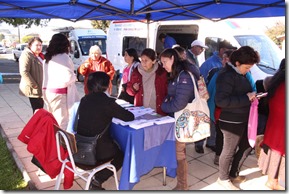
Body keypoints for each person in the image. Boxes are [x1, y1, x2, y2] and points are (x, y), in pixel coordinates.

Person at [76, 71, 135, 190]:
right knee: (121, 153)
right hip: (96, 149)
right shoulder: (107, 102)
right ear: (106, 86)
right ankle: (98, 179)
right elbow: (129, 117)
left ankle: (98, 174)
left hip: (80, 145)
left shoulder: (84, 99)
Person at [215, 46, 260, 190]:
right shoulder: (226, 75)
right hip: (230, 121)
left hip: (243, 118)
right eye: (246, 67)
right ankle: (222, 178)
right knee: (228, 151)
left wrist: (252, 96)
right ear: (237, 63)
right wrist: (246, 98)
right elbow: (220, 101)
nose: (248, 71)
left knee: (247, 146)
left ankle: (233, 173)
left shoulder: (239, 74)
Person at [160, 48, 199, 190]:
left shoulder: (184, 76)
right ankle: (182, 184)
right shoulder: (177, 74)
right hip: (178, 118)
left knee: (179, 152)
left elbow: (179, 103)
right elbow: (171, 95)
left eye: (165, 62)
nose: (163, 65)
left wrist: (163, 106)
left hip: (183, 120)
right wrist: (165, 102)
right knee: (179, 151)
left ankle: (182, 185)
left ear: (172, 59)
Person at [194, 41, 237, 154]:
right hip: (207, 99)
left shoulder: (234, 71)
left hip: (219, 103)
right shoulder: (210, 64)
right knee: (204, 122)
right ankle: (198, 143)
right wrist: (203, 97)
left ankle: (211, 142)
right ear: (222, 50)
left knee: (214, 124)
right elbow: (199, 78)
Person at [42, 33, 80, 130]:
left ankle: (53, 140)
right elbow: (68, 77)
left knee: (53, 118)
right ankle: (59, 144)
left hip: (48, 92)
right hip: (60, 94)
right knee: (62, 121)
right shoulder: (64, 57)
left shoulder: (48, 57)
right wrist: (74, 76)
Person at [258, 58, 285, 190]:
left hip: (275, 125)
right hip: (281, 128)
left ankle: (272, 180)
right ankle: (273, 182)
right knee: (278, 152)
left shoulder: (277, 81)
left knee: (275, 151)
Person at [126, 48, 168, 115]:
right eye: (142, 60)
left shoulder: (161, 72)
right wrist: (133, 88)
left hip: (158, 111)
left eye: (146, 60)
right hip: (140, 111)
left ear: (154, 61)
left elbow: (167, 91)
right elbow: (128, 90)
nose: (143, 63)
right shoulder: (136, 72)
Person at [19, 37, 45, 113]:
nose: (39, 47)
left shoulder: (40, 56)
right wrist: (34, 85)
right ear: (30, 45)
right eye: (37, 45)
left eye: (40, 45)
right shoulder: (27, 55)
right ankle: (36, 124)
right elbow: (24, 71)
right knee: (37, 109)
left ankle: (39, 123)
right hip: (34, 88)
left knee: (40, 109)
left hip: (41, 86)